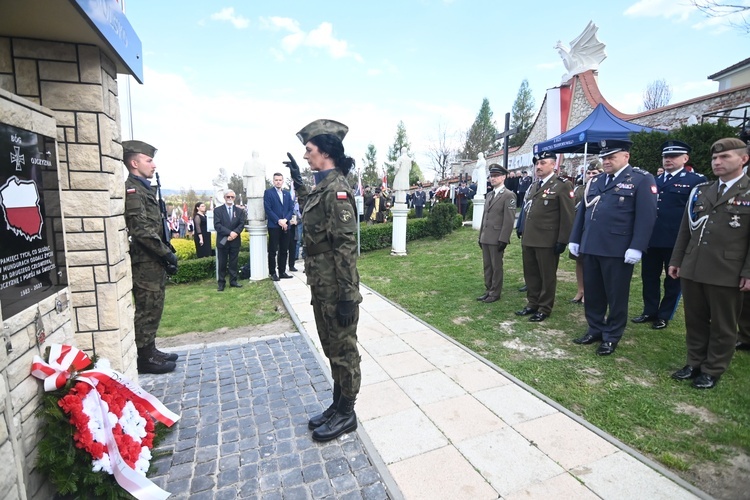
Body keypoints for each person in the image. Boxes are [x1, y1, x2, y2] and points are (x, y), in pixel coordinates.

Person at [284, 118, 362, 442]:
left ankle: (347, 412)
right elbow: (309, 209)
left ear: (326, 152)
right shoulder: (322, 187)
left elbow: (346, 247)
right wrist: (299, 182)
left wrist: (347, 295)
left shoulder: (339, 190)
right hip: (322, 284)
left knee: (344, 349)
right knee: (332, 346)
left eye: (309, 151)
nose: (306, 156)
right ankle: (337, 404)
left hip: (336, 286)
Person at [668, 138, 750, 389]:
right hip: (694, 266)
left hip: (728, 270)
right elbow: (686, 230)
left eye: (725, 157)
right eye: (715, 158)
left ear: (743, 159)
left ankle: (712, 369)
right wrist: (677, 260)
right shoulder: (703, 190)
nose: (717, 162)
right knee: (695, 319)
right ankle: (694, 362)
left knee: (724, 324)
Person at [569, 139, 657, 356]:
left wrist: (637, 246)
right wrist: (575, 238)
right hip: (591, 245)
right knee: (594, 292)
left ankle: (612, 335)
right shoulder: (596, 180)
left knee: (616, 295)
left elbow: (646, 216)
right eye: (604, 158)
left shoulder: (640, 180)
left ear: (626, 156)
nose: (606, 161)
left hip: (618, 248)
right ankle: (595, 328)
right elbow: (583, 211)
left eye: (611, 157)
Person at [632, 141, 705, 330]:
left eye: (673, 156)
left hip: (675, 240)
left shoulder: (695, 181)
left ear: (685, 158)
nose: (668, 160)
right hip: (653, 238)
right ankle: (649, 310)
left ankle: (664, 315)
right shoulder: (653, 180)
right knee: (649, 277)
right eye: (666, 157)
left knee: (673, 280)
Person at [122, 140, 178, 374]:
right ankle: (144, 357)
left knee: (154, 306)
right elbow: (141, 229)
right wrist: (165, 253)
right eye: (148, 160)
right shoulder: (133, 190)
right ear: (134, 163)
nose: (153, 165)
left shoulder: (145, 187)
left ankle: (150, 348)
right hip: (145, 261)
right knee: (147, 307)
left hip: (153, 259)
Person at [515, 152, 575, 322]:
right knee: (531, 273)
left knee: (547, 275)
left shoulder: (562, 185)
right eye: (537, 164)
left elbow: (568, 215)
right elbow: (529, 210)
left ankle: (544, 308)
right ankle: (532, 303)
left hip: (547, 240)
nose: (538, 167)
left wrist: (563, 239)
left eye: (542, 163)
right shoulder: (534, 186)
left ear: (553, 165)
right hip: (530, 237)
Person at [477, 164, 516, 303]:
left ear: (503, 177)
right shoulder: (489, 195)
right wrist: (480, 235)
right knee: (487, 265)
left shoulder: (508, 195)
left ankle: (495, 292)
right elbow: (484, 216)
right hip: (486, 236)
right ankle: (488, 289)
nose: (492, 178)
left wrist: (504, 239)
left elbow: (509, 220)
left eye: (496, 176)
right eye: (491, 176)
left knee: (496, 266)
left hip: (497, 237)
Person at [570, 162, 602, 303]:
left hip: (596, 232)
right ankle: (580, 290)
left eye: (594, 173)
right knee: (579, 261)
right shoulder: (580, 189)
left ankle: (590, 292)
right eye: (589, 173)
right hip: (580, 230)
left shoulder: (604, 188)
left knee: (593, 264)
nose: (590, 175)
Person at [264, 173, 294, 281]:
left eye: (280, 180)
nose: (278, 182)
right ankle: (272, 273)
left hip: (286, 226)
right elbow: (268, 209)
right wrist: (278, 220)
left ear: (283, 181)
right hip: (274, 226)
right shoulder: (268, 193)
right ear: (273, 181)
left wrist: (285, 220)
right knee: (273, 250)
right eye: (276, 180)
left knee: (284, 250)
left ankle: (282, 272)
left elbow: (291, 209)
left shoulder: (287, 194)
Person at [214, 189, 245, 291]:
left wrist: (235, 233)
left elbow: (241, 224)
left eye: (232, 197)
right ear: (224, 197)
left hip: (235, 240)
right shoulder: (218, 210)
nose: (230, 199)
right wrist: (229, 233)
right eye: (228, 197)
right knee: (222, 262)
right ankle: (221, 283)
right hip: (223, 239)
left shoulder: (239, 211)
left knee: (233, 262)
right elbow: (217, 225)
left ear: (234, 198)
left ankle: (233, 281)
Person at [288, 190, 302, 272]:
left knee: (292, 249)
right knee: (283, 250)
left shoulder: (295, 211)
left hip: (294, 232)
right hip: (286, 231)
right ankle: (281, 267)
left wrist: (297, 222)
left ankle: (291, 265)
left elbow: (300, 219)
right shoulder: (285, 210)